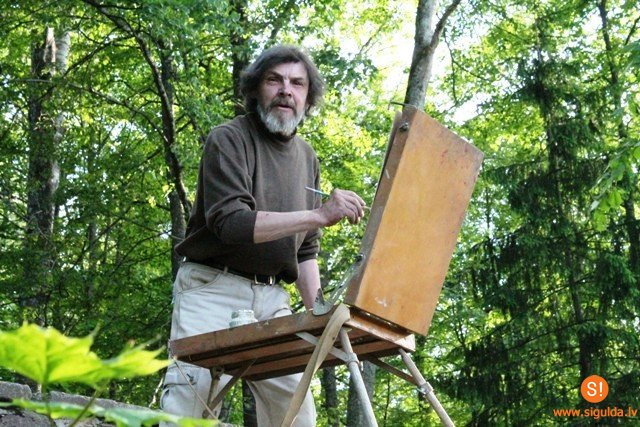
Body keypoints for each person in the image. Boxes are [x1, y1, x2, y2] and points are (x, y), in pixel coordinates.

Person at [160, 45, 366, 426]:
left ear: (308, 98)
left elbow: (306, 250)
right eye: (275, 80)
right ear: (256, 89)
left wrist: (320, 315)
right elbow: (232, 223)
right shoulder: (228, 138)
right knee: (188, 408)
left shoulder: (308, 157)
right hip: (211, 288)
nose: (286, 90)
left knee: (296, 412)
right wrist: (319, 215)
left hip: (272, 301)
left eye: (297, 83)